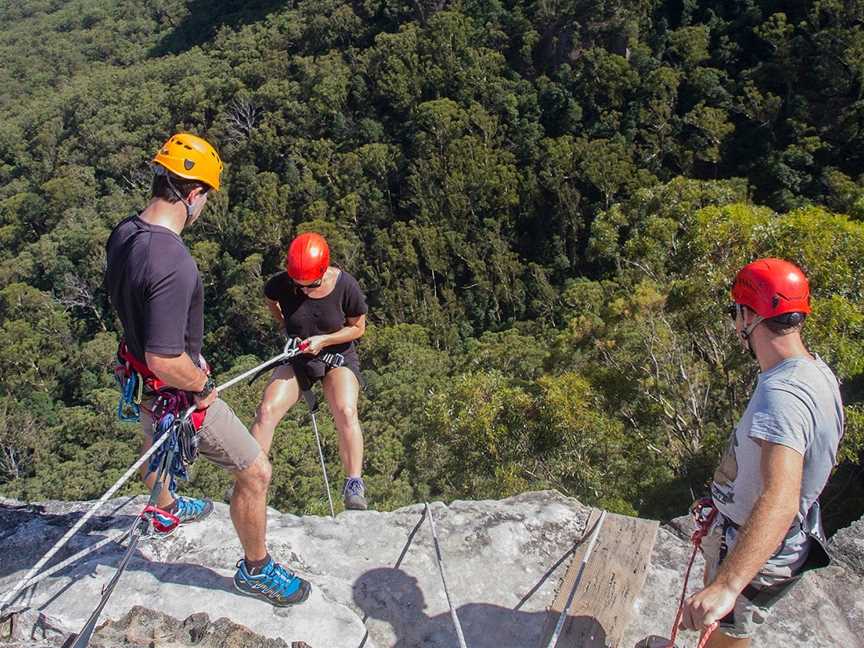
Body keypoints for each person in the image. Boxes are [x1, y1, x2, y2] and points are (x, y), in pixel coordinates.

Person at [104, 133, 311, 606]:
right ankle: (256, 570)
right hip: (172, 385)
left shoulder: (124, 233)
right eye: (206, 198)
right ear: (194, 194)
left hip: (136, 376)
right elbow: (166, 358)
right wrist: (203, 386)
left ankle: (163, 510)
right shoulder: (173, 261)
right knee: (256, 470)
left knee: (154, 437)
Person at [680, 258, 843, 646]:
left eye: (737, 313)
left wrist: (728, 585)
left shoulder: (781, 396)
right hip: (761, 539)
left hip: (755, 548)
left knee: (722, 635)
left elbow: (781, 500)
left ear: (747, 315)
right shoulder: (814, 373)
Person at [250, 231, 370, 510]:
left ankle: (354, 483)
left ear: (324, 270)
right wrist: (285, 327)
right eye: (298, 285)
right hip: (298, 357)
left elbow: (358, 327)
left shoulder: (346, 286)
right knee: (266, 410)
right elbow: (271, 300)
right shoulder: (282, 284)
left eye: (310, 285)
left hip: (336, 355)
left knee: (346, 410)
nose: (303, 290)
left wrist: (324, 340)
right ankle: (250, 479)